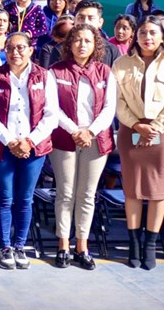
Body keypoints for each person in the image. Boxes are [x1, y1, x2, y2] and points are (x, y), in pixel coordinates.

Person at [112, 15, 164, 270]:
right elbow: (118, 101)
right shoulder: (122, 63)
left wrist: (155, 127)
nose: (148, 37)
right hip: (132, 129)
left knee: (158, 191)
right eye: (143, 32)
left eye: (153, 33)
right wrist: (137, 125)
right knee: (133, 189)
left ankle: (150, 244)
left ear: (162, 37)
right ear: (136, 35)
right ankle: (133, 241)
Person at [0, 32, 59, 270]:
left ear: (30, 50)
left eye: (20, 48)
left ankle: (20, 245)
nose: (15, 53)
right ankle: (5, 246)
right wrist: (10, 141)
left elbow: (51, 115)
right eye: (10, 48)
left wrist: (30, 141)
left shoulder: (44, 76)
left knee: (25, 199)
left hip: (34, 149)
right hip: (3, 146)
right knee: (5, 198)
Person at [49, 25, 117, 270]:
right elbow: (52, 108)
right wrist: (75, 130)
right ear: (69, 44)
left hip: (96, 140)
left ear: (95, 44)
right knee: (65, 193)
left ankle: (83, 246)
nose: (82, 45)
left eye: (87, 40)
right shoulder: (55, 71)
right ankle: (63, 244)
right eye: (77, 40)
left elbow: (110, 108)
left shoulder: (104, 71)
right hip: (64, 139)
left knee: (87, 195)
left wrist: (90, 131)